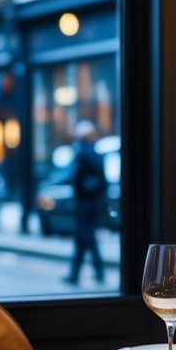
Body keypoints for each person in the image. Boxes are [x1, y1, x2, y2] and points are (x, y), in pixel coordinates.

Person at [63, 120, 106, 284]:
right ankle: (77, 273)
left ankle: (82, 272)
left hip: (83, 201)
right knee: (84, 236)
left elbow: (75, 177)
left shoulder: (81, 154)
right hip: (94, 201)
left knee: (85, 236)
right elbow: (104, 180)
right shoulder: (97, 154)